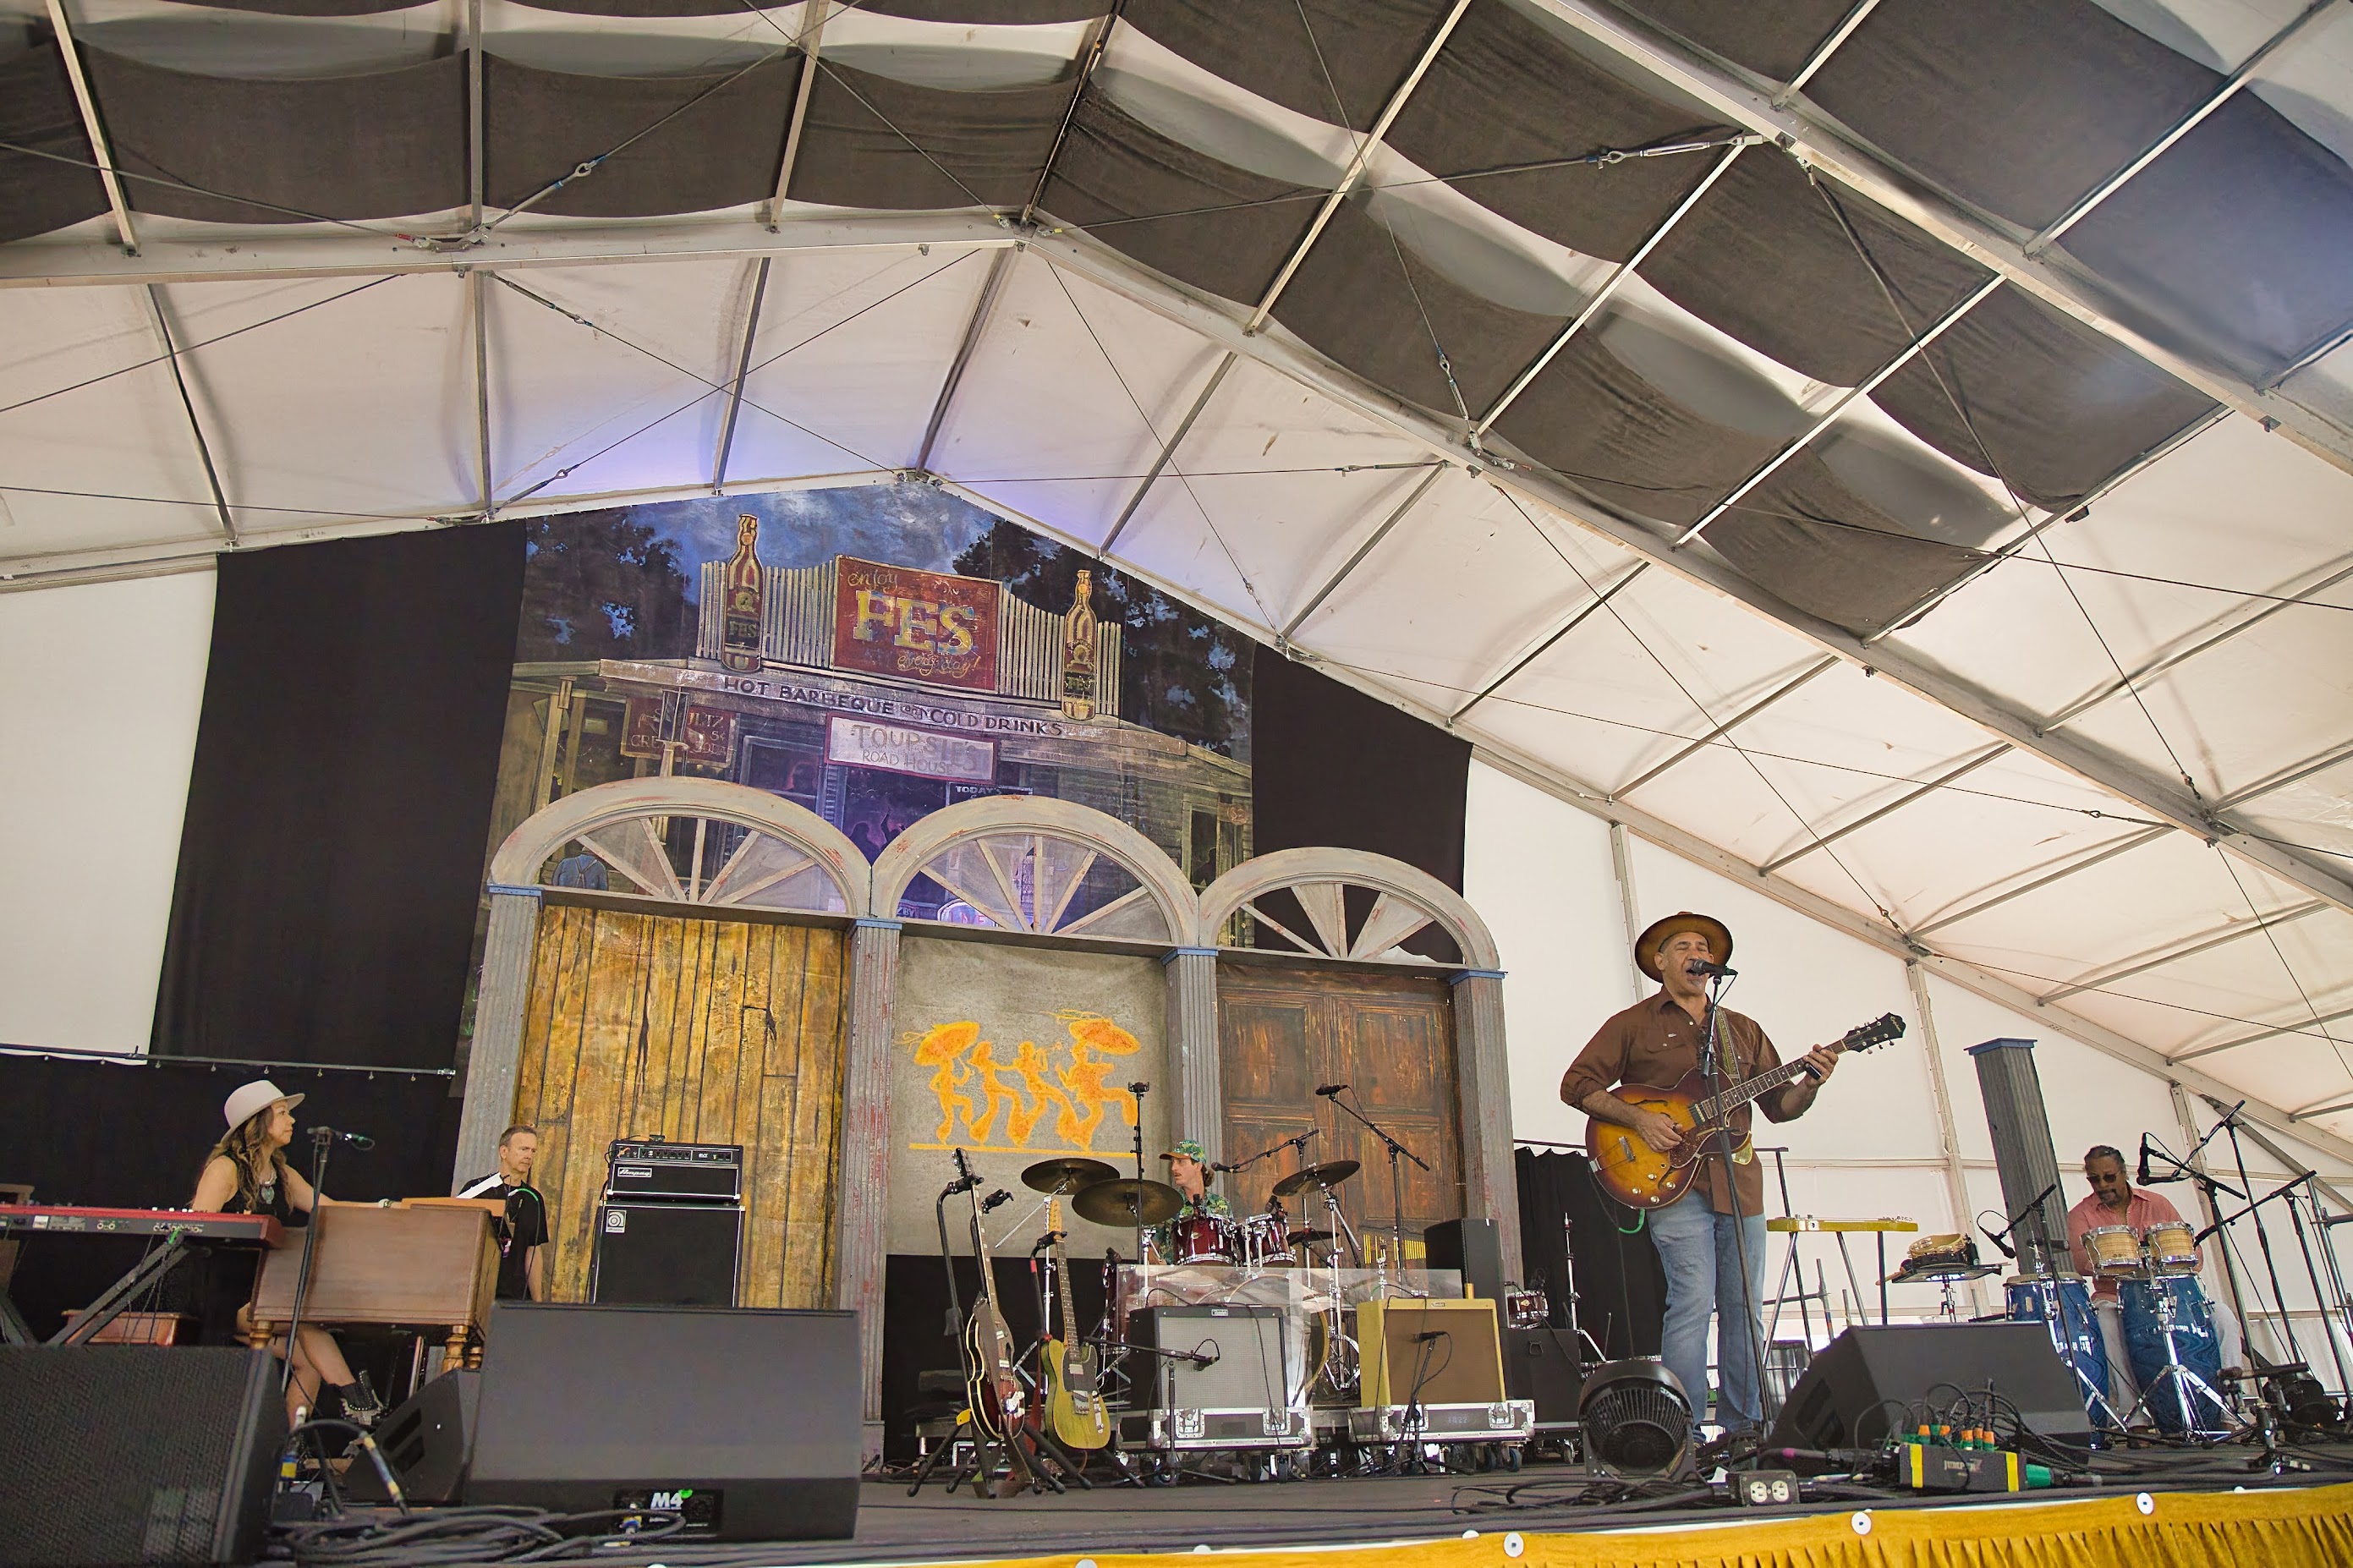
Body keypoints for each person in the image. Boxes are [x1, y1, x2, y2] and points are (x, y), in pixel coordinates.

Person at [1560, 913, 1839, 1444]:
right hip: (1673, 1182)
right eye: (1683, 945)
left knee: (1744, 1308)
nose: (1696, 952)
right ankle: (1681, 1434)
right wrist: (1640, 1119)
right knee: (1691, 1301)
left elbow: (1780, 1106)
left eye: (1704, 946)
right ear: (1660, 962)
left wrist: (1813, 1083)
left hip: (1740, 1182)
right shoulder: (1633, 1024)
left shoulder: (1742, 1031)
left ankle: (1745, 1430)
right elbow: (1577, 1085)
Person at [190, 1079, 381, 1428]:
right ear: (257, 1122)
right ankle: (357, 1399)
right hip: (223, 1293)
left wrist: (384, 1208)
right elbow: (198, 1227)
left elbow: (329, 1207)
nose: (291, 1121)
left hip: (264, 1293)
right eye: (282, 1113)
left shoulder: (282, 1174)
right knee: (302, 1317)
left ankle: (287, 1447)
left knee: (308, 1361)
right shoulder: (226, 1168)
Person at [2065, 1143, 2243, 1416]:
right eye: (2094, 1179)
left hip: (2171, 1295)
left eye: (2109, 1177)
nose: (2102, 1185)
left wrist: (2162, 1260)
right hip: (2115, 1299)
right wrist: (2130, 1263)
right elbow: (2081, 1263)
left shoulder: (2157, 1204)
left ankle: (2231, 1409)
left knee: (2224, 1318)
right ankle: (2133, 1415)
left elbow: (2194, 1253)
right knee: (2105, 1324)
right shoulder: (2081, 1214)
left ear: (2124, 1172)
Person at [458, 1125, 551, 1302]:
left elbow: (533, 1249)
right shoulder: (477, 1190)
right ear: (504, 1151)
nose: (529, 1156)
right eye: (523, 1149)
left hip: (514, 1296)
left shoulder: (534, 1199)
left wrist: (537, 1302)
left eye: (533, 1151)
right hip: (475, 1293)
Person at [1148, 1139, 1231, 1262]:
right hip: (1174, 1277)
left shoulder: (1222, 1205)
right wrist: (1159, 1266)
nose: (1173, 1168)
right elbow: (1150, 1248)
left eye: (1180, 1162)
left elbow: (1232, 1249)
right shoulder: (1166, 1205)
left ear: (1198, 1165)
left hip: (1213, 1275)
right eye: (1173, 1162)